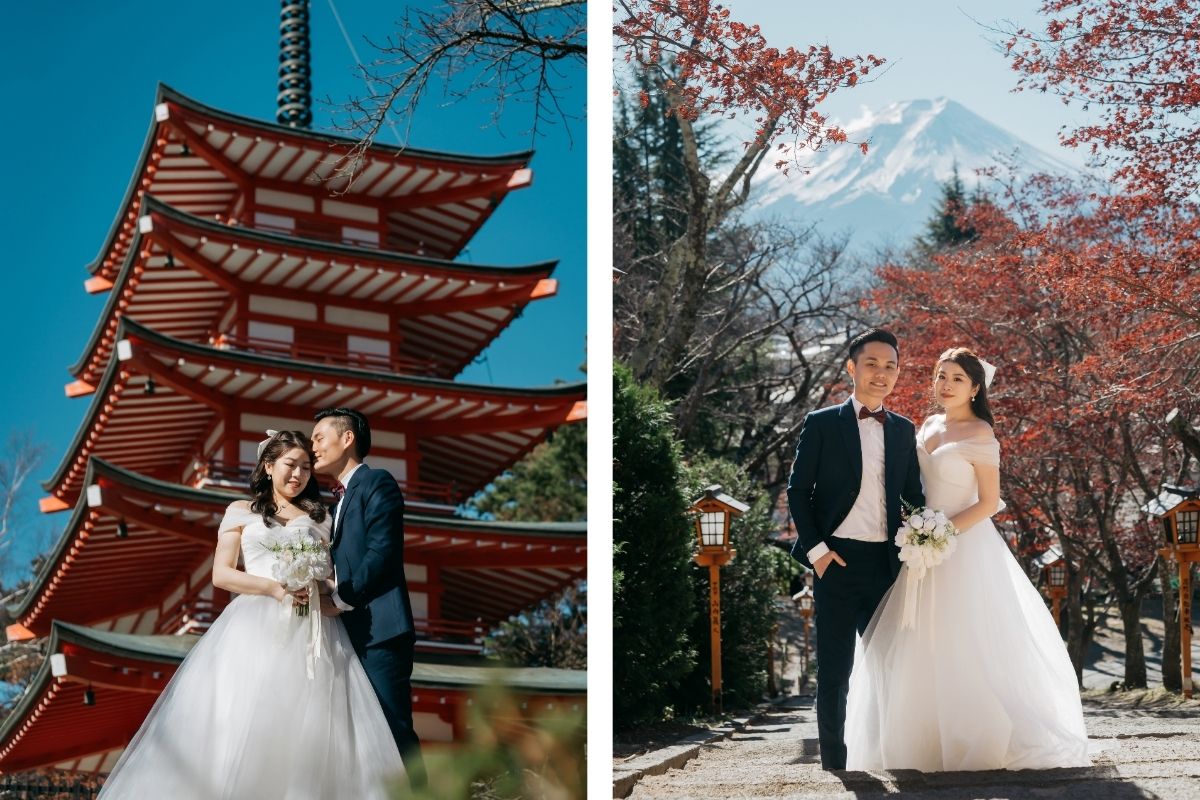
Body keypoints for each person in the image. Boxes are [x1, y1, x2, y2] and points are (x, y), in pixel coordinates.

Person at [97, 430, 404, 799]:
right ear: (269, 466)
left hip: (313, 629)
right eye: (291, 465)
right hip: (253, 626)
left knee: (316, 729)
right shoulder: (241, 511)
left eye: (307, 467)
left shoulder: (321, 517)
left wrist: (318, 589)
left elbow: (332, 575)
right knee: (241, 724)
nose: (299, 474)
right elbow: (222, 573)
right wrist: (275, 589)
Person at [844, 348, 1091, 771]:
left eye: (957, 378)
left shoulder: (981, 434)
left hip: (961, 546)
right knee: (918, 642)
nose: (946, 385)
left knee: (962, 640)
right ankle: (919, 741)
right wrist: (915, 533)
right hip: (917, 548)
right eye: (941, 376)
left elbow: (990, 502)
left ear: (975, 387)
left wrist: (939, 535)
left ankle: (974, 738)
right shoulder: (929, 424)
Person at [785, 328, 925, 771]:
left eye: (891, 366)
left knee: (891, 669)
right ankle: (834, 765)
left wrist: (920, 539)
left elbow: (912, 496)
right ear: (851, 368)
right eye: (872, 364)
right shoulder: (822, 422)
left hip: (887, 564)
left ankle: (889, 756)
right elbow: (796, 492)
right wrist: (818, 553)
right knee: (835, 672)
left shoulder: (903, 430)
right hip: (836, 562)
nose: (881, 374)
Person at [311, 407, 425, 788]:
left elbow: (382, 551)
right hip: (344, 635)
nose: (313, 447)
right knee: (356, 738)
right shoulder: (333, 506)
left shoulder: (378, 482)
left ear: (348, 439)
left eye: (319, 437)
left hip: (381, 633)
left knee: (393, 729)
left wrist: (340, 598)